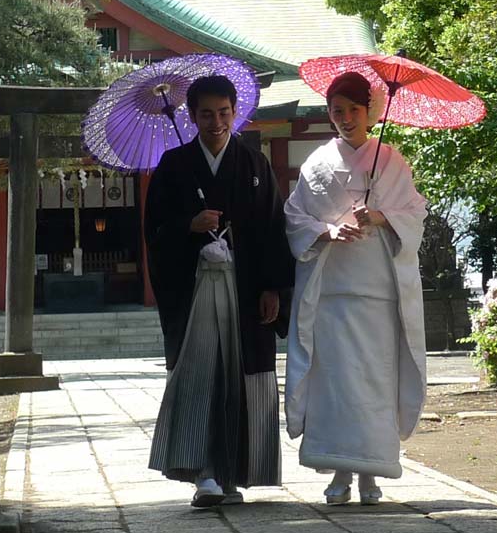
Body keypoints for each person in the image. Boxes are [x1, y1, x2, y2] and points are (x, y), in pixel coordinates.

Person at [144, 73, 293, 508]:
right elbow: (154, 231)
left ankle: (234, 473)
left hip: (245, 289)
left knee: (243, 378)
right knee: (200, 374)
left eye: (224, 113)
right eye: (206, 114)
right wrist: (188, 226)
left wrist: (273, 287)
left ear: (235, 113)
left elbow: (272, 229)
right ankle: (202, 472)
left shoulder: (254, 164)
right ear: (190, 116)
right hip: (195, 291)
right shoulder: (173, 167)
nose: (216, 122)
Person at [282, 71, 428, 505]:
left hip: (377, 291)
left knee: (374, 382)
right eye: (337, 111)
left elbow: (414, 212)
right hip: (333, 291)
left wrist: (382, 216)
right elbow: (294, 216)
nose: (345, 118)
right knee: (336, 384)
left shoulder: (391, 161)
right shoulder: (316, 164)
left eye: (353, 110)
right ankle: (340, 471)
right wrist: (326, 230)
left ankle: (371, 474)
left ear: (371, 112)